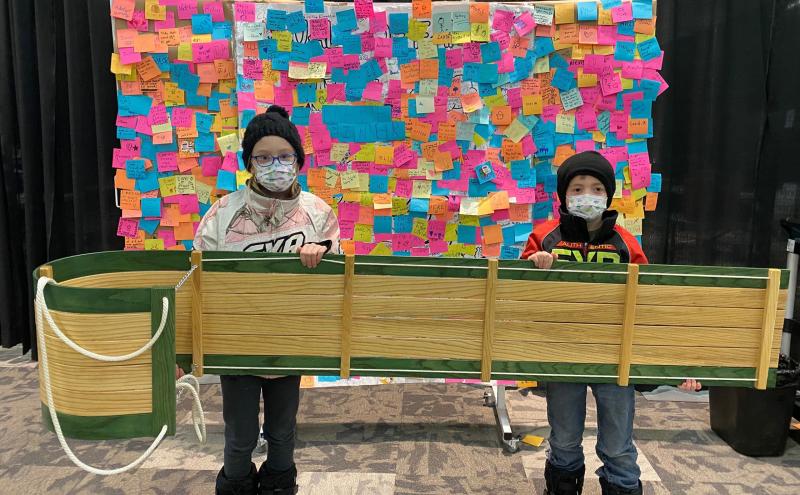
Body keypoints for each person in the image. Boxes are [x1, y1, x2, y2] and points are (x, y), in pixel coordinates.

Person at [521, 151, 700, 495]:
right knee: (565, 438)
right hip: (564, 355)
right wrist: (534, 262)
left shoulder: (625, 242)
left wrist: (674, 363)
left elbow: (650, 301)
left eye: (595, 188)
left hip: (614, 355)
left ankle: (622, 486)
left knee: (618, 444)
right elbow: (517, 292)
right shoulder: (545, 237)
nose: (586, 195)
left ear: (607, 195)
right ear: (563, 195)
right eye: (576, 188)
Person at [193, 105, 341, 495]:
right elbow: (197, 277)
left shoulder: (318, 213)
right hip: (238, 344)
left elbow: (337, 276)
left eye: (284, 156)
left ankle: (279, 484)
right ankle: (237, 484)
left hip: (290, 342)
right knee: (239, 434)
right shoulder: (222, 214)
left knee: (282, 429)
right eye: (263, 157)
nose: (275, 165)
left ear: (298, 160)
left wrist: (321, 250)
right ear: (249, 163)